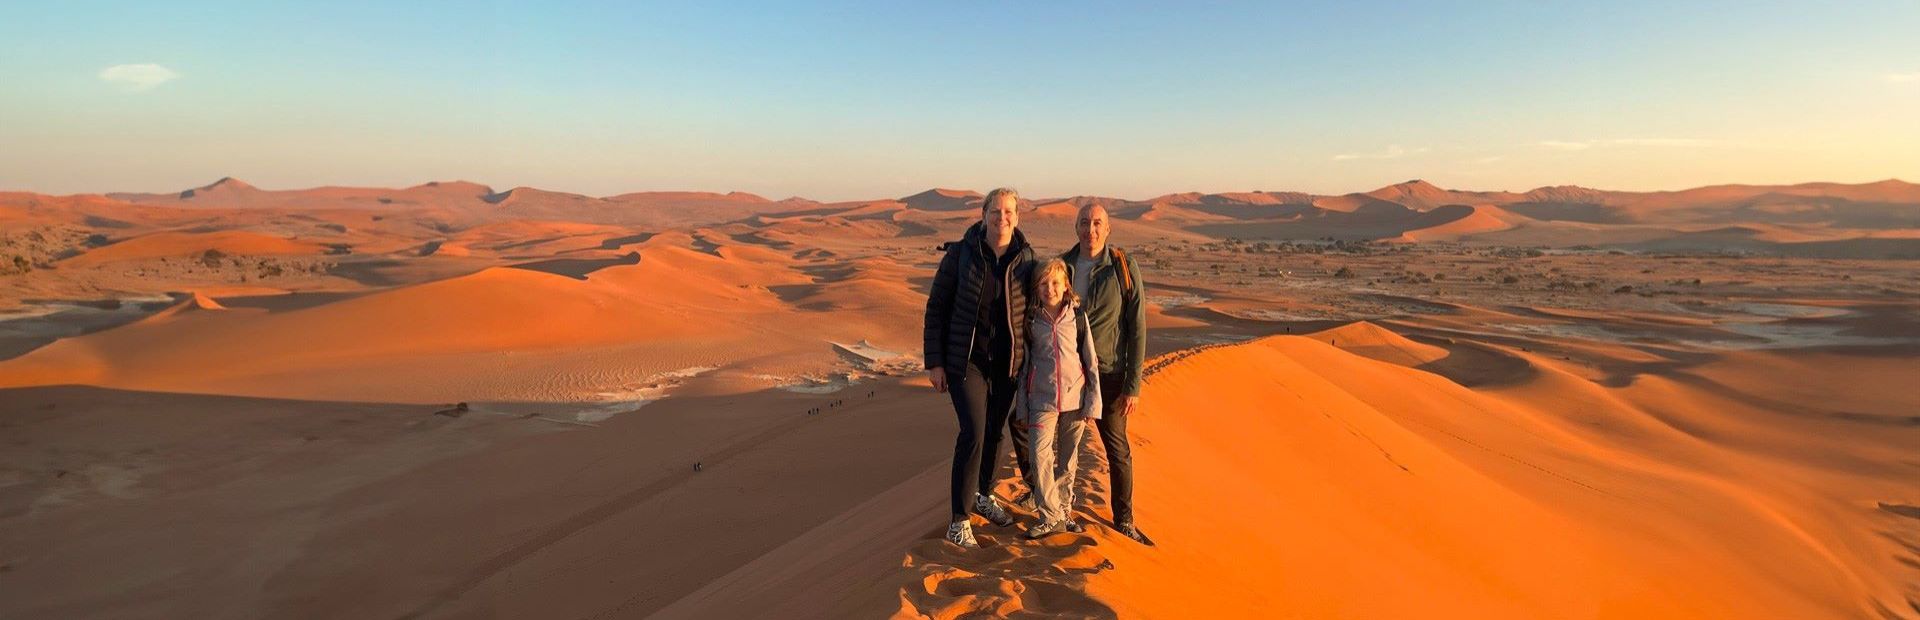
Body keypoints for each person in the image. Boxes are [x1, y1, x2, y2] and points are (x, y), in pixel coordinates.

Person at [923, 187, 1037, 548]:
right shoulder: (962, 254)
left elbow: (1038, 310)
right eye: (995, 211)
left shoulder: (1026, 259)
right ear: (983, 214)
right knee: (972, 431)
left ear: (1017, 218)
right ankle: (959, 520)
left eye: (1009, 212)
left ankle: (983, 495)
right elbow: (936, 308)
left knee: (994, 432)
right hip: (966, 361)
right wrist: (936, 363)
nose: (1002, 218)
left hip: (1007, 364)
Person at [1061, 204, 1153, 545]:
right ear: (1076, 228)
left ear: (1108, 229)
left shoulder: (1122, 267)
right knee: (1064, 446)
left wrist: (1133, 385)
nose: (1091, 229)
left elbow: (1137, 328)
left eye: (1097, 223)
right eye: (1085, 223)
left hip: (1110, 373)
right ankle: (1058, 510)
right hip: (1070, 372)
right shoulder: (1062, 266)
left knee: (1116, 449)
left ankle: (1124, 520)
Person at [1015, 258, 1102, 539]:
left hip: (1075, 400)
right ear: (1036, 288)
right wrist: (1023, 407)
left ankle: (1063, 512)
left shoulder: (1078, 318)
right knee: (1039, 458)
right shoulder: (1030, 321)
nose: (1049, 288)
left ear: (1066, 285)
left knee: (1068, 461)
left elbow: (1090, 361)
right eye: (1043, 283)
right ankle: (1049, 515)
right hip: (1041, 401)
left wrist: (1093, 401)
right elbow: (1024, 366)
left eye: (1055, 282)